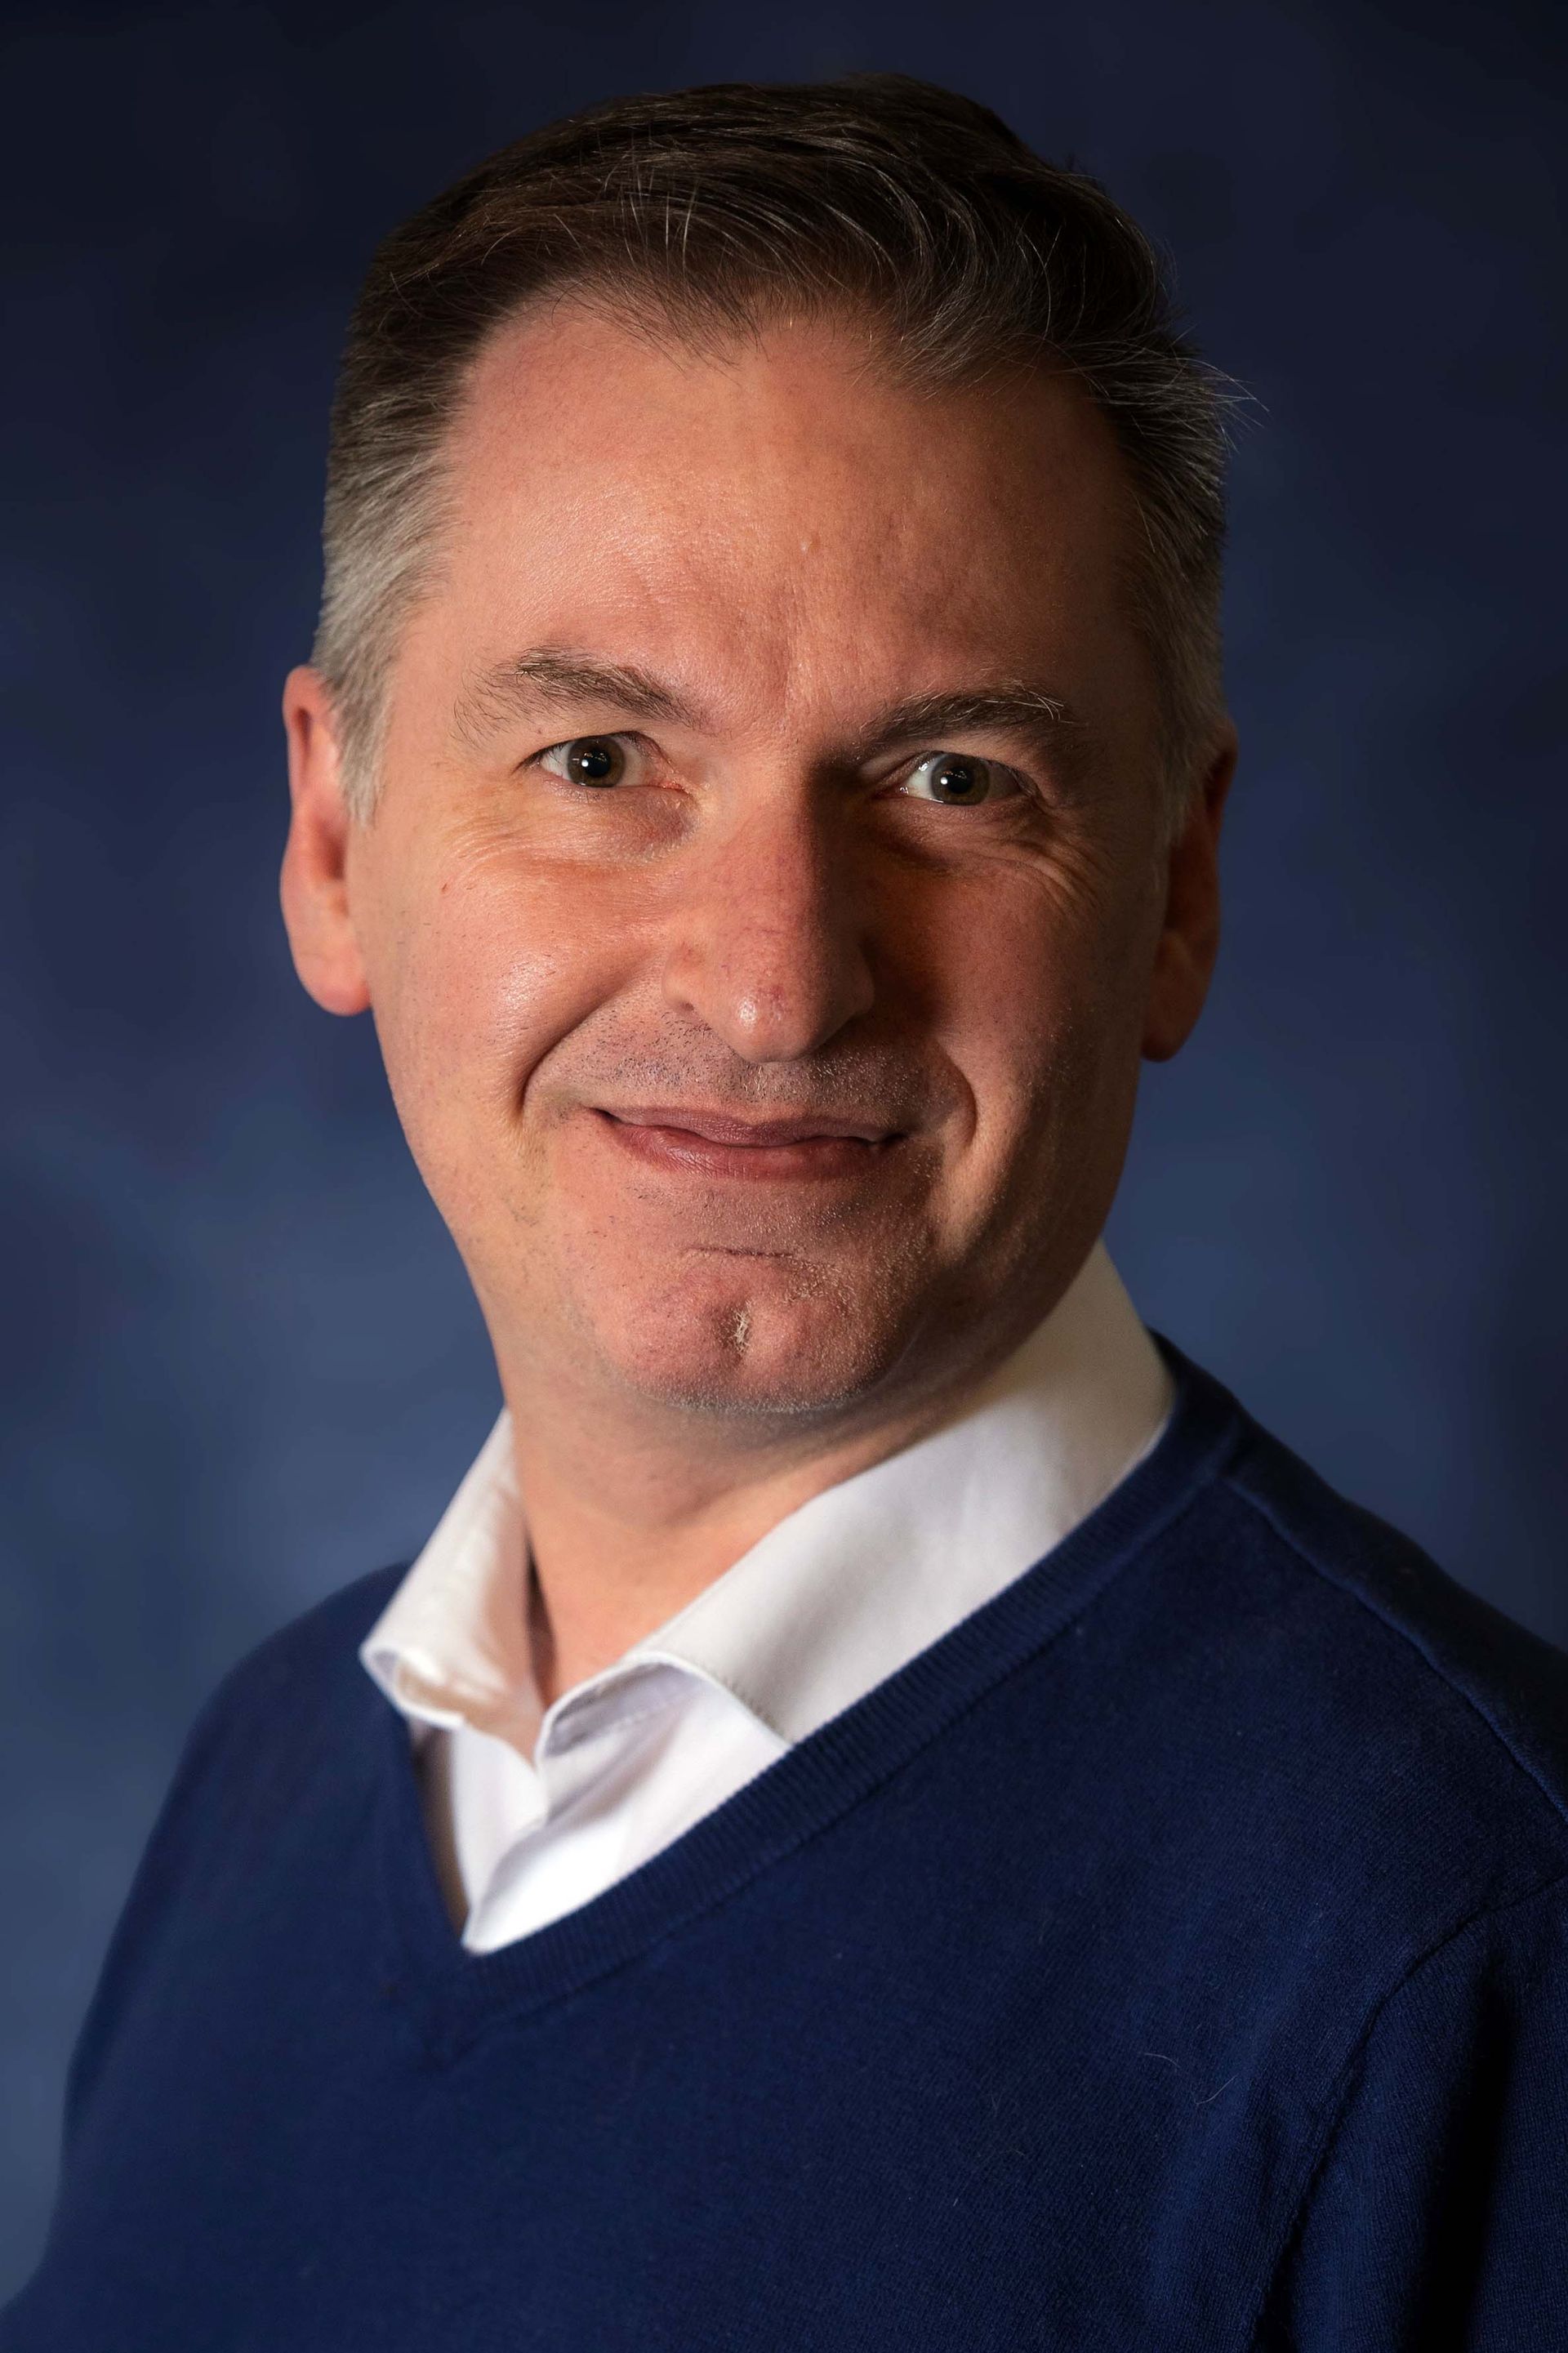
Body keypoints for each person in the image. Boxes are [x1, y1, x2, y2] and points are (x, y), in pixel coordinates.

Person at [7, 74, 1565, 2352]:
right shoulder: (274, 1775)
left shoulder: (1465, 1949)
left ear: (1177, 890)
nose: (771, 978)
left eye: (954, 779)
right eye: (600, 760)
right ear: (336, 845)